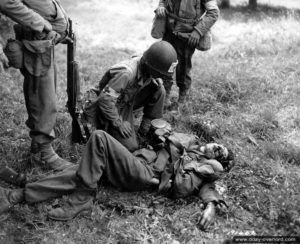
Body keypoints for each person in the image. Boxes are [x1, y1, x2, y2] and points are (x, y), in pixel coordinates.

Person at [0, 127, 234, 230]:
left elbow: (206, 190)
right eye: (220, 146)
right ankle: (17, 193)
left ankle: (83, 198)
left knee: (99, 138)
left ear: (217, 164)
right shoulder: (191, 142)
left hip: (145, 175)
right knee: (83, 171)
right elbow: (162, 138)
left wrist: (211, 205)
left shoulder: (205, 170)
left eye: (221, 155)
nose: (217, 149)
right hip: (137, 160)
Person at [0, 0, 72, 170]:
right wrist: (44, 24)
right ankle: (44, 153)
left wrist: (60, 26)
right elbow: (7, 2)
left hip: (42, 41)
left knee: (46, 95)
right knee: (44, 99)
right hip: (34, 39)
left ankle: (38, 146)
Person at [82, 41, 178, 152]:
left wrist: (153, 78)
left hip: (125, 101)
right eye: (161, 74)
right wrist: (119, 123)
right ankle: (112, 129)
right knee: (131, 147)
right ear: (151, 67)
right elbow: (105, 100)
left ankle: (144, 133)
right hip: (107, 107)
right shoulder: (126, 74)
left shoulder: (147, 66)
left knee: (159, 90)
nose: (163, 77)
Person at [155, 0, 220, 104]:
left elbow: (213, 13)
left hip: (187, 35)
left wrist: (198, 31)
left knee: (183, 68)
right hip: (169, 31)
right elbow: (163, 1)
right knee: (165, 63)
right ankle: (164, 98)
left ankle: (182, 101)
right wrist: (161, 7)